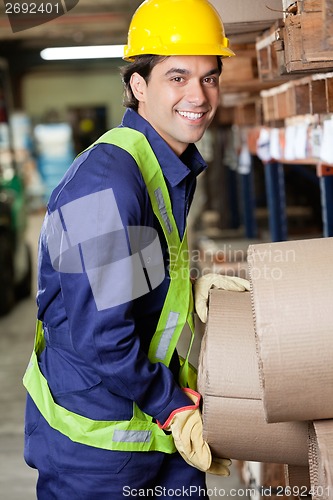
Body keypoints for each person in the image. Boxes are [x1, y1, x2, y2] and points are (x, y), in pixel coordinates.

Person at [23, 0, 250, 498]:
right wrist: (172, 405)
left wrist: (187, 291)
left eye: (209, 77)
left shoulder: (166, 165)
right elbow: (101, 336)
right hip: (100, 448)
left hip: (153, 427)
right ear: (138, 86)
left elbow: (128, 285)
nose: (198, 95)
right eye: (178, 77)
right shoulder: (106, 184)